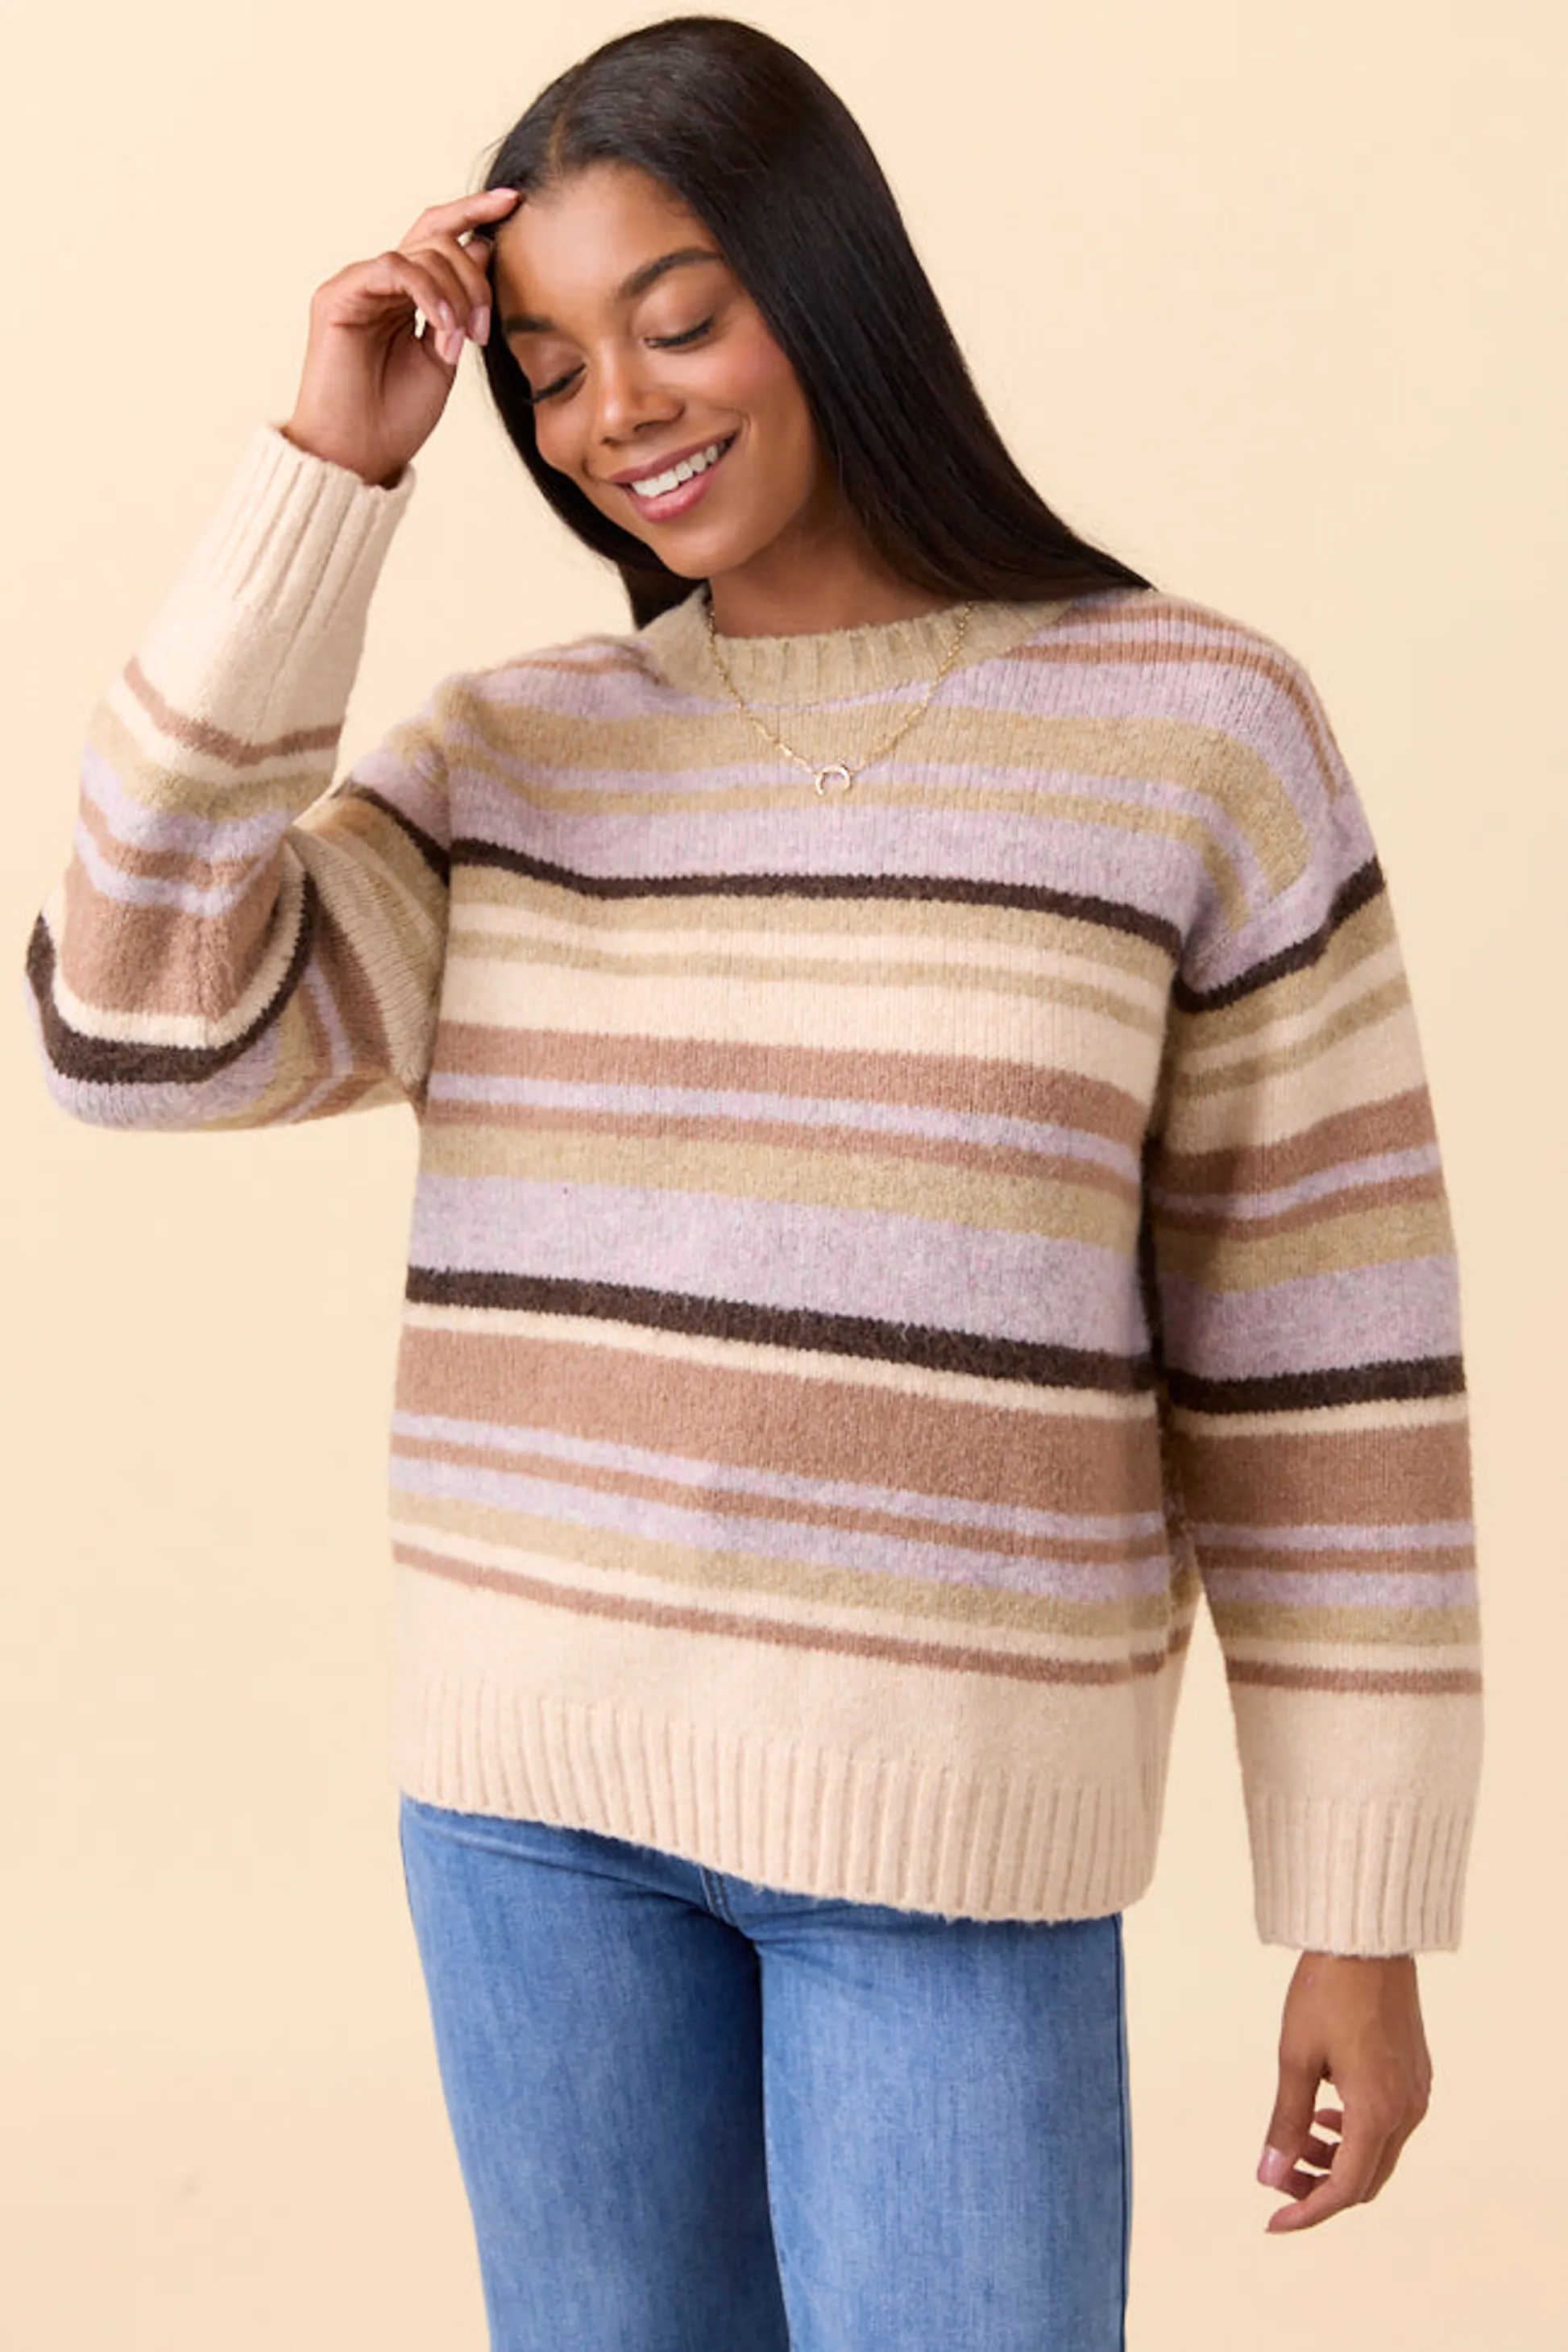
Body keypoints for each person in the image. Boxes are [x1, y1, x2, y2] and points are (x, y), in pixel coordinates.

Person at [23, 14, 1483, 2349]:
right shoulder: (510, 764)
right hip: (531, 1834)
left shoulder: (1193, 735)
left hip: (951, 1843)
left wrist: (1359, 1908)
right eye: (552, 373)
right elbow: (129, 1021)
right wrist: (331, 466)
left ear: (828, 283)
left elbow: (1328, 1365)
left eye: (679, 320)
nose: (619, 414)